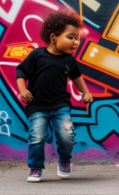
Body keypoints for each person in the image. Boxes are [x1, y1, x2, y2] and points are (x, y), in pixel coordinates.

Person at [16, 11, 93, 182]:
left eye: (77, 38)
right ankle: (35, 167)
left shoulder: (69, 61)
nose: (76, 42)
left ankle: (64, 161)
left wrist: (86, 92)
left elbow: (76, 77)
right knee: (36, 137)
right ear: (53, 38)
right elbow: (21, 70)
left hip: (60, 106)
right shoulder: (37, 55)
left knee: (67, 136)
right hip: (37, 106)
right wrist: (22, 90)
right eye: (71, 37)